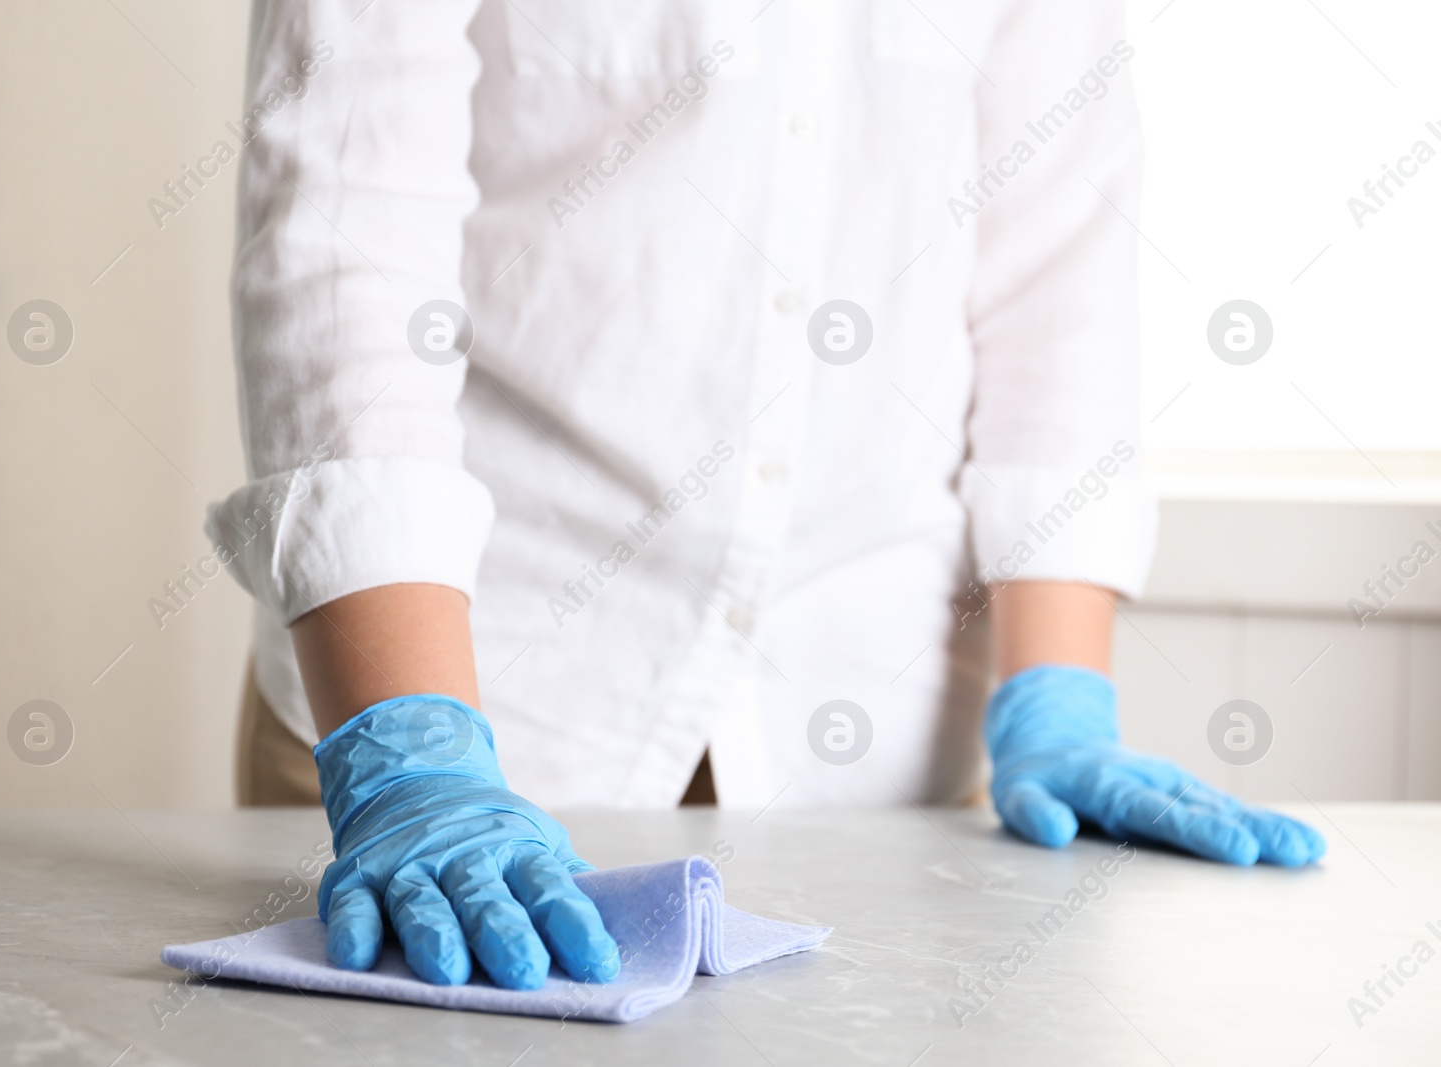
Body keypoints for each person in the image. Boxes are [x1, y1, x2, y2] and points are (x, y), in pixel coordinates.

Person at [209, 0, 1326, 990]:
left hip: (881, 751)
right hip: (459, 690)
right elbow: (349, 228)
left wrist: (1061, 691)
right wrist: (413, 749)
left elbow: (1057, 256)